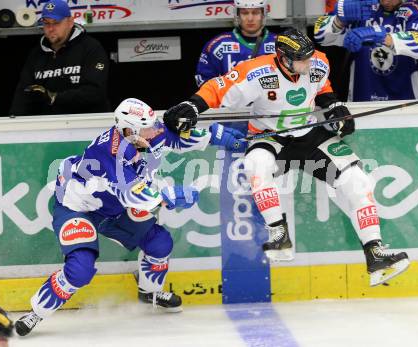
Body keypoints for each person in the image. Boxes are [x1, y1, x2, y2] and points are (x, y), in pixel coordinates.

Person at [163, 28, 410, 287]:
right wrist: (192, 105)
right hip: (270, 136)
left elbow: (323, 89)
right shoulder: (257, 72)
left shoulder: (318, 62)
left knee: (356, 180)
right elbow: (218, 87)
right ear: (284, 58)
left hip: (309, 135)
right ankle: (279, 233)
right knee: (255, 164)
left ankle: (375, 253)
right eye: (302, 59)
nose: (309, 62)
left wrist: (336, 108)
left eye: (309, 56)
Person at [14, 98, 246, 336]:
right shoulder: (105, 154)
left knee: (159, 242)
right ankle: (36, 313)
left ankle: (149, 292)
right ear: (129, 129)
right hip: (78, 208)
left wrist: (214, 137)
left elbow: (173, 138)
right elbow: (135, 196)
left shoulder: (140, 134)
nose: (154, 130)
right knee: (80, 269)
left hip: (112, 208)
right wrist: (167, 196)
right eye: (148, 127)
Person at [314, 0, 418, 101]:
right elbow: (320, 36)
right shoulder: (362, 5)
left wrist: (382, 37)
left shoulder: (417, 11)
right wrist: (339, 20)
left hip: (404, 99)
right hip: (361, 94)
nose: (385, 2)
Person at [9, 0, 110, 116]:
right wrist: (14, 119)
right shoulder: (36, 54)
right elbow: (23, 95)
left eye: (56, 23)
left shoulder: (91, 48)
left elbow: (95, 93)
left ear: (70, 22)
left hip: (86, 122)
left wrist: (54, 97)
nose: (50, 28)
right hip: (49, 126)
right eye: (46, 23)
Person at [195, 0, 276, 87]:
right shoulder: (218, 45)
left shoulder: (278, 44)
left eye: (255, 13)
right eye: (244, 13)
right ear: (237, 15)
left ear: (263, 15)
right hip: (229, 99)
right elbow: (204, 81)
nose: (250, 18)